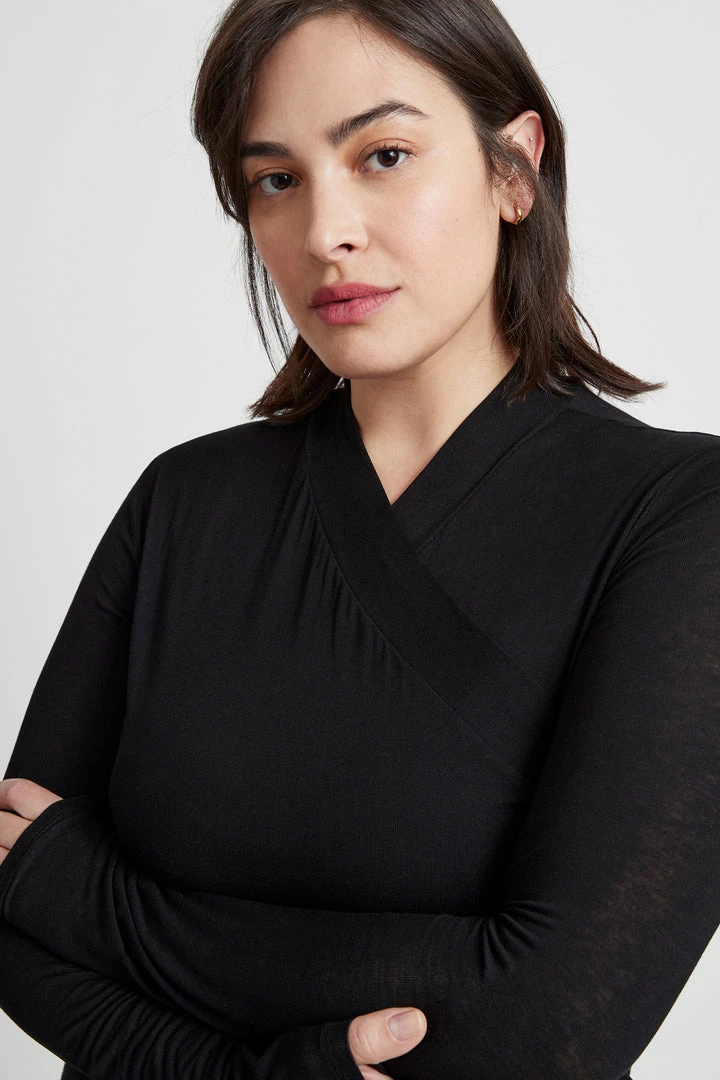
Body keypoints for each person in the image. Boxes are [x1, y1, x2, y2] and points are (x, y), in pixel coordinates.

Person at [1, 1, 719, 1078]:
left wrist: (96, 902)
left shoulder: (678, 515)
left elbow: (556, 1021)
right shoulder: (182, 503)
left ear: (515, 169)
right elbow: (10, 912)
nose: (324, 232)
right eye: (275, 178)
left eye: (383, 155)